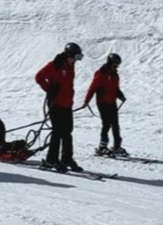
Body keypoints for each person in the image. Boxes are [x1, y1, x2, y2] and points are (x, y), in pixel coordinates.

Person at [35, 42, 84, 172]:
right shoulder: (54, 65)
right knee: (57, 132)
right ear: (68, 55)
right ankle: (51, 160)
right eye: (75, 58)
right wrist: (49, 89)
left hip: (67, 104)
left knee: (67, 133)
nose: (76, 61)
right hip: (55, 104)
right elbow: (39, 76)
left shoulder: (70, 66)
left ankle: (66, 158)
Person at [83, 53, 128, 156]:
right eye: (115, 64)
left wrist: (121, 96)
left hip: (112, 102)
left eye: (118, 65)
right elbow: (92, 88)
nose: (117, 67)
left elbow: (115, 89)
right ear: (110, 63)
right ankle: (102, 147)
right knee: (106, 124)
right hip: (102, 103)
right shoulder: (101, 73)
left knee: (116, 125)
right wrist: (87, 100)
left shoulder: (115, 75)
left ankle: (117, 146)